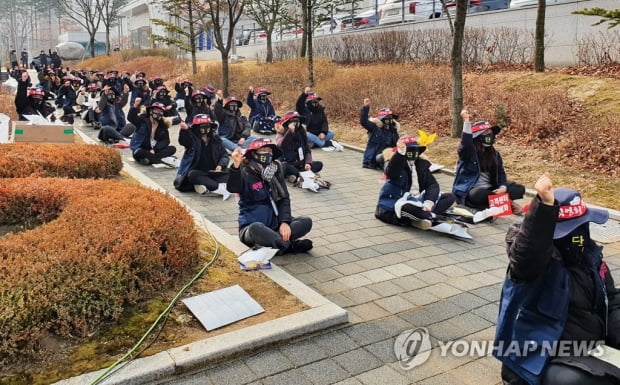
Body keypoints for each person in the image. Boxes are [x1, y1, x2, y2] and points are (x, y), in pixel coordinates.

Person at [494, 173, 620, 385]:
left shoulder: (590, 256)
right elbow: (528, 254)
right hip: (544, 357)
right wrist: (544, 208)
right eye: (570, 231)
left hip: (591, 348)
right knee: (572, 381)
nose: (578, 236)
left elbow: (614, 300)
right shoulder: (537, 266)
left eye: (582, 227)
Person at [226, 139, 314, 255]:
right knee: (256, 229)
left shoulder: (276, 169)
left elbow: (284, 198)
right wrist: (236, 167)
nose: (267, 154)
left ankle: (275, 244)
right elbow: (233, 188)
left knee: (306, 222)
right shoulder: (245, 170)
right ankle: (290, 246)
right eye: (263, 150)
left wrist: (284, 222)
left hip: (276, 224)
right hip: (253, 227)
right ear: (254, 153)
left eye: (270, 151)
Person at [452, 109, 525, 214]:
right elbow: (465, 144)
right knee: (477, 195)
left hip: (491, 189)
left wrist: (503, 187)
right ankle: (505, 202)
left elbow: (500, 173)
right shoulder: (469, 153)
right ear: (477, 136)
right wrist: (466, 122)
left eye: (490, 132)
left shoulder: (495, 154)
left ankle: (494, 202)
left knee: (519, 189)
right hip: (472, 190)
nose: (489, 135)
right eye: (485, 132)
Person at [375, 136, 456, 230]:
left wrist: (428, 202)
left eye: (415, 150)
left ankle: (423, 217)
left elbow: (432, 185)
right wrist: (400, 153)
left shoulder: (421, 164)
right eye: (410, 150)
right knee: (407, 208)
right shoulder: (394, 163)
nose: (413, 153)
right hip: (398, 201)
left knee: (450, 197)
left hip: (419, 200)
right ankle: (429, 217)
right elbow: (391, 172)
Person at [173, 114, 230, 198]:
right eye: (202, 126)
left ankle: (205, 186)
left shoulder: (215, 139)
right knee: (192, 175)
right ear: (196, 127)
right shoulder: (192, 139)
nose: (205, 128)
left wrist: (220, 165)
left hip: (213, 172)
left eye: (207, 126)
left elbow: (224, 155)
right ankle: (216, 187)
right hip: (198, 172)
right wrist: (184, 130)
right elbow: (184, 141)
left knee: (233, 173)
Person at [275, 111, 323, 184]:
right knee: (284, 167)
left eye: (297, 120)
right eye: (293, 121)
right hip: (288, 163)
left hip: (300, 164)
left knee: (319, 164)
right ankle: (299, 175)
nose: (295, 123)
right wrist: (290, 132)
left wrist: (308, 163)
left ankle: (296, 175)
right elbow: (282, 145)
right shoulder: (281, 133)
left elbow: (307, 150)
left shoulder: (301, 132)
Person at [359, 98, 399, 170]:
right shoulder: (374, 128)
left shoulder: (393, 131)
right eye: (387, 119)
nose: (389, 121)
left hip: (388, 157)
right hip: (373, 160)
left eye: (390, 118)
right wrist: (365, 107)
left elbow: (397, 145)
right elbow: (363, 121)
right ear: (382, 119)